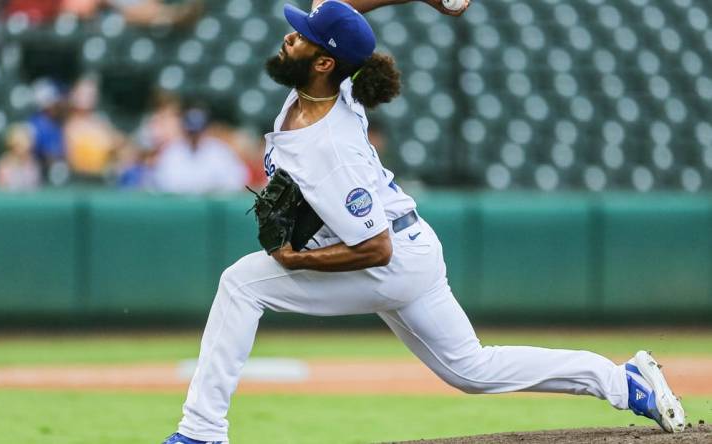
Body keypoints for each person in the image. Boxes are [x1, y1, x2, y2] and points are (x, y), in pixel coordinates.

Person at [162, 1, 685, 443]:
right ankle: (623, 381)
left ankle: (200, 431)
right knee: (472, 370)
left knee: (242, 285)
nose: (288, 35)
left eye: (299, 38)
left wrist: (299, 260)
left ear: (323, 61)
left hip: (387, 260)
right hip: (413, 248)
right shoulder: (329, 89)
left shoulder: (331, 147)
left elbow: (375, 249)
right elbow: (338, 7)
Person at [150, 106, 249, 194]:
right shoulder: (172, 151)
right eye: (191, 132)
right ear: (184, 130)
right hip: (179, 208)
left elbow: (238, 180)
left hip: (211, 209)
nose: (194, 136)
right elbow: (161, 184)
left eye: (197, 131)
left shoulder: (220, 151)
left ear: (205, 130)